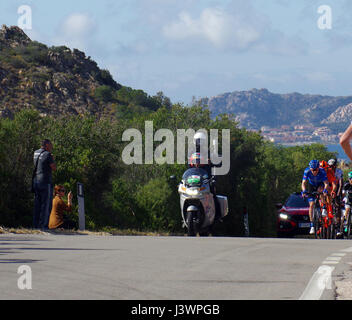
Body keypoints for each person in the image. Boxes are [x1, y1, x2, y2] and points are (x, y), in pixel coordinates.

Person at [32, 139, 56, 230]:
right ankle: (43, 226)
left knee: (37, 204)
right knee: (46, 205)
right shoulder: (48, 154)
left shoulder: (35, 152)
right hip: (45, 182)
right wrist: (52, 159)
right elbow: (53, 168)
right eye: (50, 145)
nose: (51, 147)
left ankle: (36, 225)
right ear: (46, 145)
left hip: (36, 181)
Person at [301, 160, 329, 235]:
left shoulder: (322, 171)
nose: (314, 172)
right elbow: (303, 183)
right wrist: (304, 191)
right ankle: (312, 225)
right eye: (312, 170)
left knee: (321, 191)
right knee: (311, 204)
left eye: (316, 170)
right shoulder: (307, 171)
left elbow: (326, 183)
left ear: (318, 168)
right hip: (311, 185)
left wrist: (325, 190)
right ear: (310, 169)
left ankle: (324, 208)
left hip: (320, 184)